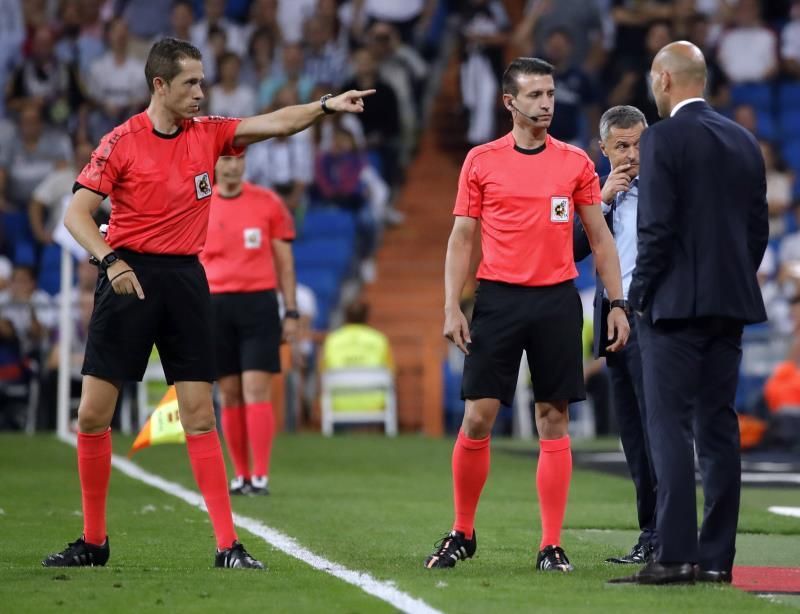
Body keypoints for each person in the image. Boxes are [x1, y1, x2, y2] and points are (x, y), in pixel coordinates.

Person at [42, 37, 373, 570]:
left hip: (186, 282)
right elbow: (77, 214)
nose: (201, 91)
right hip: (128, 277)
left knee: (199, 416)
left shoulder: (210, 134)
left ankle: (227, 545)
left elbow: (277, 123)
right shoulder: (121, 141)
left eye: (202, 81)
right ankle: (94, 540)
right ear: (160, 85)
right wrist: (110, 261)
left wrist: (326, 105)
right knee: (92, 415)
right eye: (190, 82)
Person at [424, 57, 629, 572]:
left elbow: (600, 237)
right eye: (535, 95)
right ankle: (462, 530)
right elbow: (462, 237)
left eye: (551, 94)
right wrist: (451, 305)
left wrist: (617, 302)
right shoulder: (481, 161)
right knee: (478, 416)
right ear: (509, 102)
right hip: (497, 299)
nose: (546, 104)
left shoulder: (576, 163)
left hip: (557, 300)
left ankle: (551, 545)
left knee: (553, 419)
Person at [611, 41, 768, 585]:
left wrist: (638, 298)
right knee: (720, 428)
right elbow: (756, 231)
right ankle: (718, 559)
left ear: (663, 80)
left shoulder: (662, 138)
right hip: (729, 307)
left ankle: (676, 555)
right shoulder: (744, 140)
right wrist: (731, 282)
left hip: (671, 311)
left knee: (670, 428)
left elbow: (656, 229)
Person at [574, 105, 656, 564]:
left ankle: (670, 532)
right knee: (631, 432)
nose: (631, 154)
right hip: (610, 319)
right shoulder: (596, 194)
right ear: (601, 149)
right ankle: (650, 533)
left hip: (651, 318)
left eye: (639, 143)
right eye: (621, 146)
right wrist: (600, 200)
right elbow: (571, 249)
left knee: (656, 427)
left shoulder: (666, 190)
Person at [200, 154, 297, 497]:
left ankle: (261, 475)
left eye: (238, 158)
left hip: (258, 304)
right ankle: (240, 475)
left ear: (245, 164)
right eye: (225, 158)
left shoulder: (267, 202)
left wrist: (292, 310)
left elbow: (284, 262)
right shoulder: (200, 202)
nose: (231, 166)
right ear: (214, 164)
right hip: (214, 305)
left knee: (256, 388)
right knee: (228, 392)